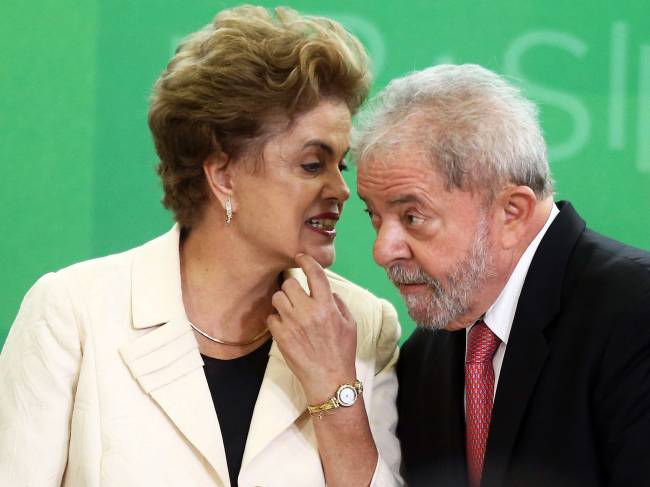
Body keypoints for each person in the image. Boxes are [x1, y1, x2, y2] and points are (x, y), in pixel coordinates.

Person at [0, 6, 402, 487]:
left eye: (343, 165)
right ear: (223, 175)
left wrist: (337, 391)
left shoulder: (364, 324)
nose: (340, 189)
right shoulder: (74, 313)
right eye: (313, 164)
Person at [353, 63, 650, 487]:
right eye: (374, 216)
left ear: (512, 212)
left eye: (413, 216)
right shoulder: (426, 355)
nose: (382, 249)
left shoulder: (637, 313)